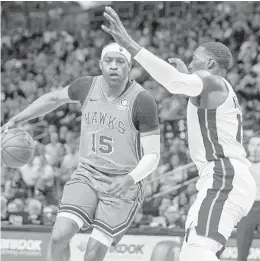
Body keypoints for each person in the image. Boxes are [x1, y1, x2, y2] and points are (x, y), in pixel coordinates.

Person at [102, 6, 257, 261]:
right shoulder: (215, 88)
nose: (191, 60)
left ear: (209, 63)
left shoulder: (213, 81)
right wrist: (187, 76)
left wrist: (130, 45)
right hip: (224, 177)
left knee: (197, 252)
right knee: (191, 252)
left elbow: (174, 82)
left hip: (224, 175)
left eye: (196, 57)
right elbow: (189, 90)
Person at [2, 42, 160, 261]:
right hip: (87, 173)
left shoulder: (142, 100)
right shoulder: (87, 86)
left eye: (120, 61)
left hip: (122, 183)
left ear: (129, 66)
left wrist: (129, 180)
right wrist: (17, 118)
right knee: (58, 237)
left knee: (92, 254)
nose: (114, 66)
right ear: (100, 64)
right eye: (109, 61)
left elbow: (153, 155)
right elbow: (53, 99)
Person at [236, 134, 260, 261]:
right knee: (242, 248)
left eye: (258, 145)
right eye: (253, 145)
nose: (255, 148)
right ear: (248, 147)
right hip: (246, 207)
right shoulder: (241, 164)